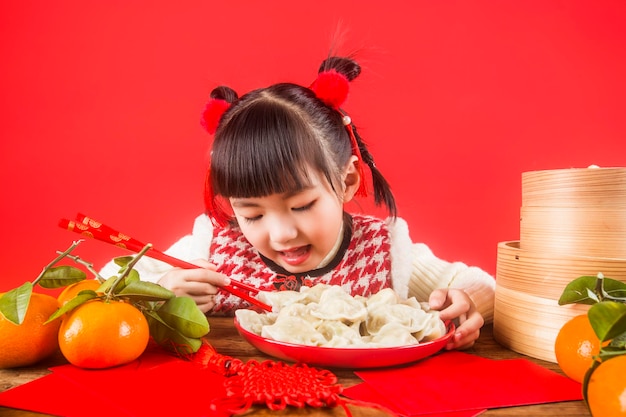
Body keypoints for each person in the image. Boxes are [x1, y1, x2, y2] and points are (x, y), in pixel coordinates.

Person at [101, 56, 495, 350]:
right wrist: (163, 293)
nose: (282, 233)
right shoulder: (215, 249)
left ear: (347, 181)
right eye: (252, 214)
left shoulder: (381, 250)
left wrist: (467, 302)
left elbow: (476, 285)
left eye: (302, 205)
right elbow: (108, 286)